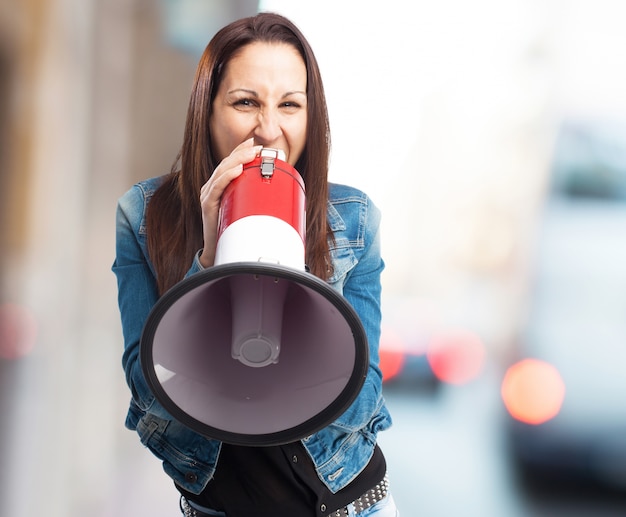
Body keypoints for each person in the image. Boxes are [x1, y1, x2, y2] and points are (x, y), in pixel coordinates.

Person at [112, 12, 397, 517]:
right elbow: (152, 398)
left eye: (290, 104)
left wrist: (296, 291)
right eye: (246, 102)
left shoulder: (354, 221)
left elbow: (363, 400)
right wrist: (208, 261)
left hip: (354, 506)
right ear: (207, 111)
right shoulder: (143, 216)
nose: (269, 129)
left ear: (313, 117)